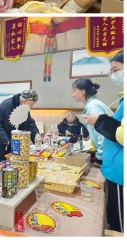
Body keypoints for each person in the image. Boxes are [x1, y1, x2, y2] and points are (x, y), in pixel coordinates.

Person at [84, 50, 124, 233]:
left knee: (120, 224)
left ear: (81, 91)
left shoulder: (92, 106)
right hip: (114, 164)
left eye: (116, 69)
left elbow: (109, 133)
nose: (112, 75)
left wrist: (99, 155)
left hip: (119, 170)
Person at [0, 90, 39, 162]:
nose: (31, 107)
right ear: (25, 101)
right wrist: (4, 138)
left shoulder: (24, 108)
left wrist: (38, 140)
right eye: (31, 105)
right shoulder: (7, 105)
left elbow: (30, 124)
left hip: (10, 146)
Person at [72, 78, 112, 167]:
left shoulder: (93, 107)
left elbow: (102, 135)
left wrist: (100, 158)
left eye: (74, 91)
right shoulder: (93, 104)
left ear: (83, 91)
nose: (73, 94)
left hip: (107, 155)